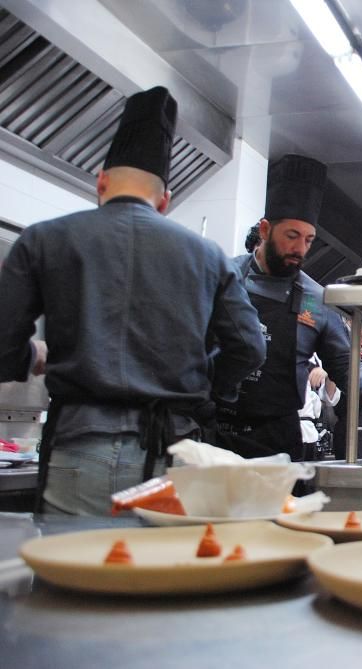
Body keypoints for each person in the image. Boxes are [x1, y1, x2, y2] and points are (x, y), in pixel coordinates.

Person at [0, 86, 267, 515]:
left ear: (100, 182)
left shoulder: (43, 240)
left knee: (75, 576)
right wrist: (198, 378)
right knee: (163, 576)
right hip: (175, 456)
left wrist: (31, 354)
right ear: (165, 201)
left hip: (77, 447)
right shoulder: (209, 257)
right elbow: (251, 348)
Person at [214, 154, 362, 461]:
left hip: (276, 445)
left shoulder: (317, 298)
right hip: (213, 437)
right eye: (291, 236)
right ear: (264, 230)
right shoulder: (222, 276)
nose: (300, 249)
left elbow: (346, 367)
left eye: (309, 240)